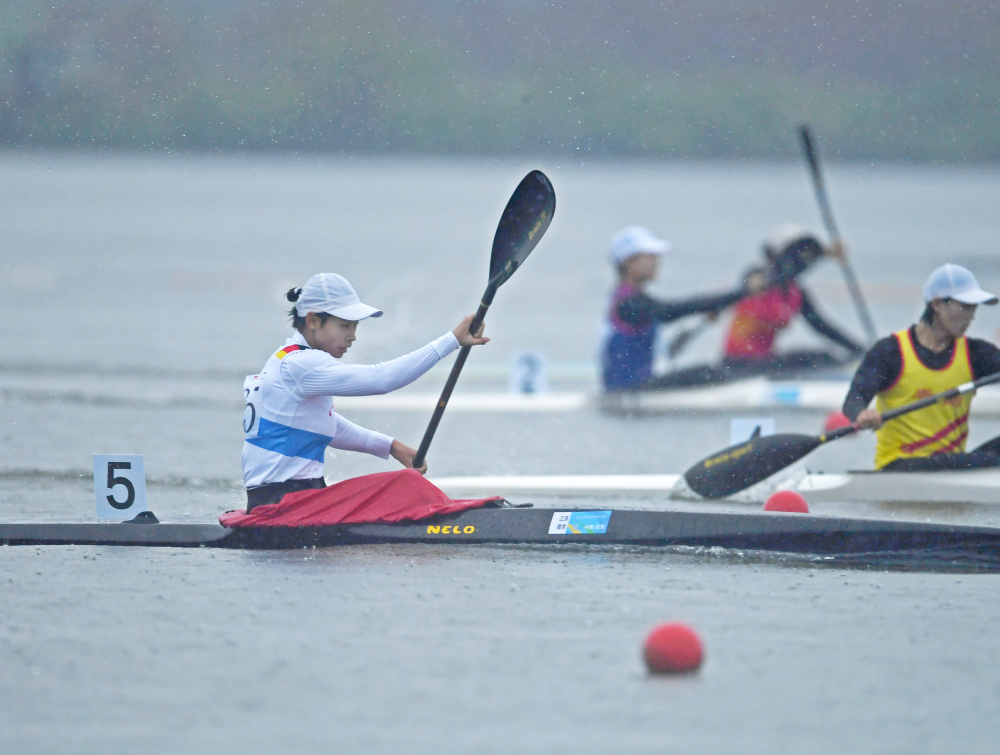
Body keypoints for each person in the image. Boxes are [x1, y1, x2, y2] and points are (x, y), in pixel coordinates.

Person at [241, 272, 488, 510]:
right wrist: (452, 340)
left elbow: (324, 423)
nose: (352, 336)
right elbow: (381, 380)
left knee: (402, 488)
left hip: (285, 500)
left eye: (355, 326)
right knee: (406, 485)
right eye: (344, 326)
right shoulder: (301, 365)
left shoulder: (284, 358)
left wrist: (391, 446)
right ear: (312, 321)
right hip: (284, 507)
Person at [843, 263, 1000, 471]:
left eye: (974, 308)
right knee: (988, 462)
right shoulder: (891, 351)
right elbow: (854, 398)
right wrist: (862, 414)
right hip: (900, 466)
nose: (971, 316)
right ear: (937, 304)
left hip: (952, 465)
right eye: (965, 306)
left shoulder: (976, 353)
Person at [601, 225, 758, 391]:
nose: (657, 262)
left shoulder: (629, 298)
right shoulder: (628, 303)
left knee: (709, 371)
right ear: (628, 262)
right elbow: (669, 312)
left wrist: (705, 317)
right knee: (708, 372)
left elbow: (668, 350)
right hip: (628, 390)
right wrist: (741, 293)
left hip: (638, 385)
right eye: (651, 256)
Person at [720, 223, 864, 378]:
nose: (800, 262)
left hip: (765, 361)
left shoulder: (795, 293)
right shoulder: (756, 277)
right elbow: (752, 280)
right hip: (737, 364)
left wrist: (859, 349)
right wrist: (823, 254)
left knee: (825, 357)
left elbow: (821, 326)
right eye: (794, 255)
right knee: (814, 360)